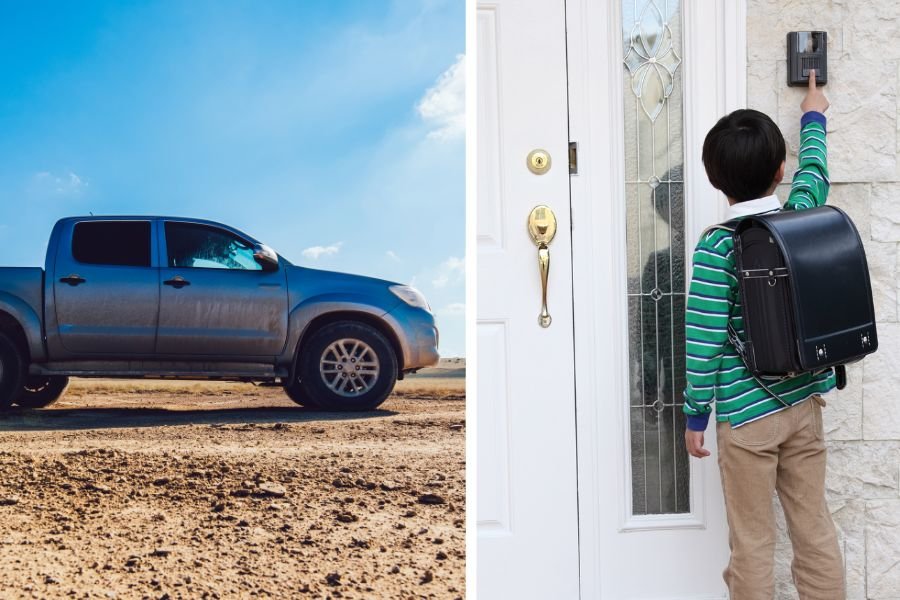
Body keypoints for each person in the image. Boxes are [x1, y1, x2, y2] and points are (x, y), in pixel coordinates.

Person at [682, 71, 844, 600]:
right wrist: (813, 114)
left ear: (715, 181)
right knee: (814, 529)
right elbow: (814, 170)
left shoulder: (716, 248)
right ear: (779, 172)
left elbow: (703, 339)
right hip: (804, 404)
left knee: (752, 543)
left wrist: (696, 414)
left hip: (747, 419)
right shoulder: (801, 216)